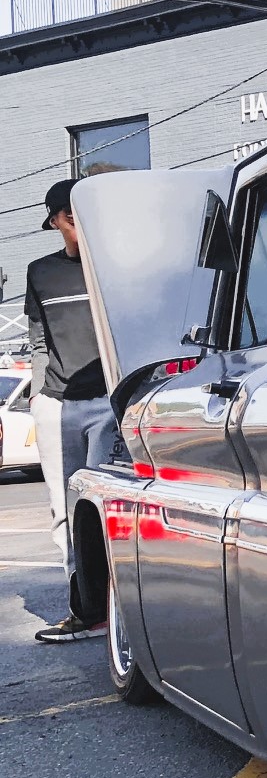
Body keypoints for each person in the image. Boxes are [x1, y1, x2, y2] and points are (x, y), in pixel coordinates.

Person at [25, 179, 117, 643]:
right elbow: (38, 336)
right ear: (58, 221)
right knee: (65, 512)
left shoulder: (113, 266)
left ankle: (113, 608)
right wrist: (41, 391)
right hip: (58, 406)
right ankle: (85, 611)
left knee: (103, 509)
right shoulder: (40, 272)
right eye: (72, 215)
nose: (81, 221)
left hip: (108, 403)